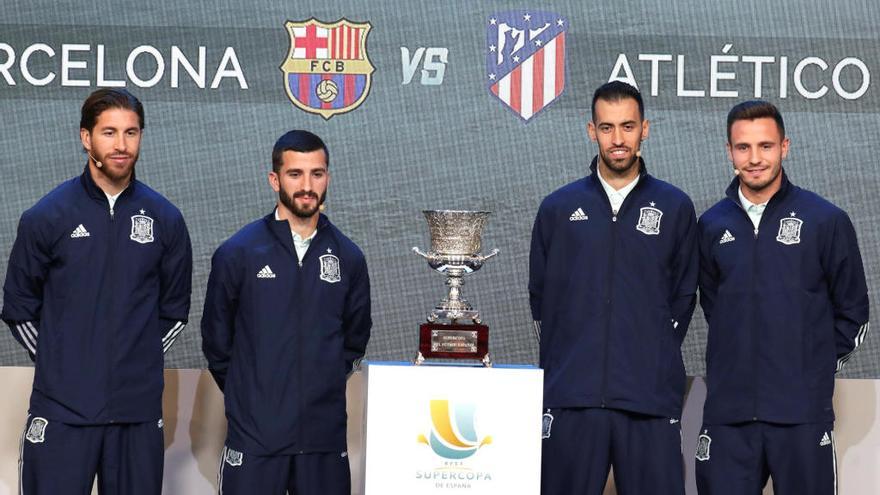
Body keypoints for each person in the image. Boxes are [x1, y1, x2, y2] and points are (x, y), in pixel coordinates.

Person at [1, 88, 192, 494]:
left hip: (135, 414)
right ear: (86, 137)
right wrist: (66, 363)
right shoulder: (46, 216)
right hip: (62, 411)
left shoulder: (166, 219)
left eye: (131, 132)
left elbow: (174, 311)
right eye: (109, 132)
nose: (121, 145)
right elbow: (18, 306)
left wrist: (132, 360)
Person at [529, 81, 698, 495]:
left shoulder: (675, 207)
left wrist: (649, 355)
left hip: (648, 400)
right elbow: (541, 301)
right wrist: (569, 362)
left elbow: (683, 295)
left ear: (646, 129)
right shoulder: (558, 207)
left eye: (627, 126)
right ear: (591, 131)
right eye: (607, 128)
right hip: (572, 398)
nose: (618, 139)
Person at [695, 100, 869, 494]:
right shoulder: (710, 226)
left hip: (801, 415)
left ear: (785, 147)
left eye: (766, 146)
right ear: (730, 152)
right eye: (743, 147)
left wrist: (811, 366)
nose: (755, 158)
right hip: (729, 416)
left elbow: (854, 314)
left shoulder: (826, 220)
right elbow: (716, 309)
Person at [202, 130, 371, 495]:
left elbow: (354, 340)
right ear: (274, 179)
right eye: (295, 174)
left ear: (328, 177)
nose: (307, 185)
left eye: (317, 173)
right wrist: (253, 395)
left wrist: (319, 383)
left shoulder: (349, 257)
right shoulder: (238, 253)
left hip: (323, 441)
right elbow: (217, 342)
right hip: (255, 439)